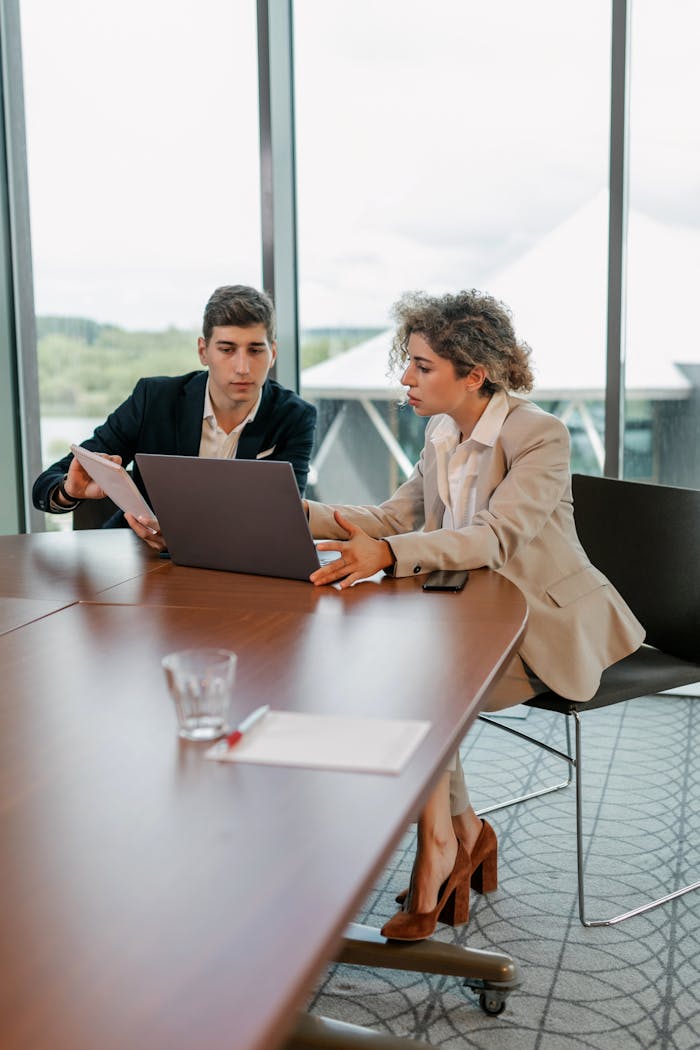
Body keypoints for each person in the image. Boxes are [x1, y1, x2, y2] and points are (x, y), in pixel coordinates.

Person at [304, 288, 645, 941]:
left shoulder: (539, 435)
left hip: (543, 625)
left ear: (473, 374)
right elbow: (391, 518)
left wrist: (388, 553)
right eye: (408, 363)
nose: (406, 379)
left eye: (422, 366)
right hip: (465, 619)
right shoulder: (441, 433)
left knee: (422, 693)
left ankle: (441, 850)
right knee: (410, 679)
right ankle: (462, 834)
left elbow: (494, 537)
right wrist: (299, 513)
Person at [33, 284, 317, 552]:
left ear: (273, 353)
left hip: (240, 562)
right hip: (136, 557)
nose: (242, 367)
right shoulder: (154, 400)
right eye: (227, 350)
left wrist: (190, 541)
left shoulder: (294, 417)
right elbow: (47, 484)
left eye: (255, 350)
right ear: (203, 351)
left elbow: (284, 519)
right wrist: (68, 492)